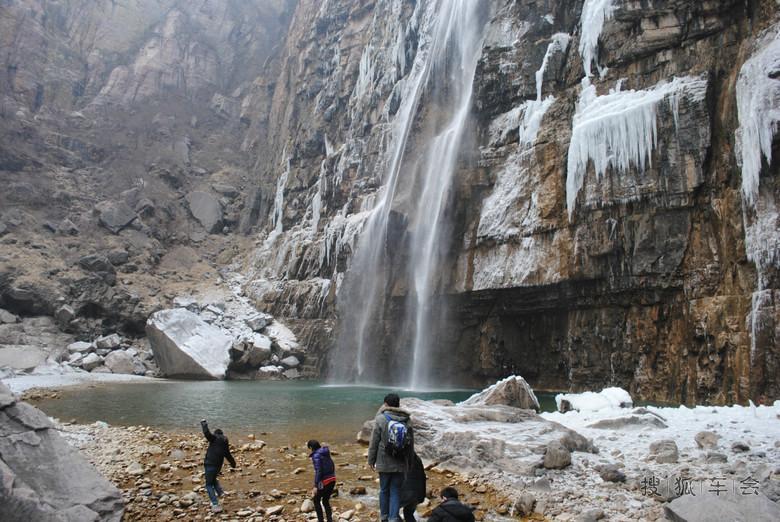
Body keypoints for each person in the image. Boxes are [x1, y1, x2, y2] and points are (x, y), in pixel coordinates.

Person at [368, 392, 414, 522]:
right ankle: (394, 517)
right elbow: (411, 445)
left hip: (384, 461)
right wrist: (410, 462)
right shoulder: (407, 419)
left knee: (384, 490)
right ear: (399, 404)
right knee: (396, 491)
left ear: (386, 404)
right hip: (400, 462)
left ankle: (384, 516)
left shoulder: (381, 419)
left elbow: (374, 442)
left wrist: (371, 460)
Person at [200, 419, 236, 513]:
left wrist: (204, 423)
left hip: (210, 464)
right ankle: (220, 492)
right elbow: (228, 455)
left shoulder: (214, 438)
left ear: (216, 434)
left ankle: (215, 502)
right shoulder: (224, 443)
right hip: (218, 466)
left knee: (208, 484)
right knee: (213, 479)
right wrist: (233, 464)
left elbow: (207, 433)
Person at [307, 440, 336, 522]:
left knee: (316, 500)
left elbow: (319, 471)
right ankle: (329, 520)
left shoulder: (316, 455)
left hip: (325, 481)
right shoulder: (326, 453)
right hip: (332, 479)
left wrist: (316, 486)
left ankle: (321, 520)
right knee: (325, 500)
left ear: (311, 448)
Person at [399, 452, 426, 521]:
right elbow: (423, 477)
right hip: (416, 495)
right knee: (409, 513)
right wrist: (422, 495)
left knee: (392, 513)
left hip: (403, 494)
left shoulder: (397, 459)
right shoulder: (417, 459)